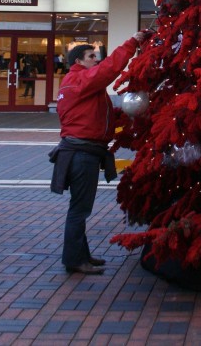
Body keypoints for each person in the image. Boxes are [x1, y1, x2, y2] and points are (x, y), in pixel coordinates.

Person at [49, 31, 149, 275]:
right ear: (78, 62)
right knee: (80, 209)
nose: (97, 59)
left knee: (80, 207)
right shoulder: (80, 82)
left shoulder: (79, 84)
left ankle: (81, 255)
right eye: (91, 56)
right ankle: (74, 260)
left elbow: (97, 115)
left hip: (83, 151)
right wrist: (133, 42)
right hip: (82, 153)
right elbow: (109, 69)